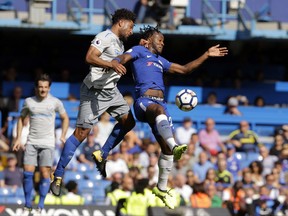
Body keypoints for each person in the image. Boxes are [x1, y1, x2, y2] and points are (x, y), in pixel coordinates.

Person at [110, 25, 228, 209]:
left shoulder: (160, 61)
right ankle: (175, 146)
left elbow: (184, 69)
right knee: (159, 114)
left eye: (163, 41)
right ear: (149, 41)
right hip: (144, 102)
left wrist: (206, 54)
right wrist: (116, 62)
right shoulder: (140, 50)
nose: (163, 43)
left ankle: (162, 187)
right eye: (160, 40)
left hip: (161, 104)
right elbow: (124, 57)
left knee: (165, 149)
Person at [50, 8, 137, 196]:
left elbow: (123, 57)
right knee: (81, 134)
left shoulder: (119, 44)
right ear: (121, 22)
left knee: (129, 122)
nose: (131, 31)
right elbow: (89, 57)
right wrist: (111, 64)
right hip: (93, 92)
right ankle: (57, 175)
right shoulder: (104, 36)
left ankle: (102, 154)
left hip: (111, 91)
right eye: (130, 27)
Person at [12, 74, 69, 214]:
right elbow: (21, 119)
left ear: (49, 88)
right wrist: (18, 138)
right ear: (36, 87)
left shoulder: (55, 102)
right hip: (32, 141)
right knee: (27, 173)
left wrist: (62, 135)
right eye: (40, 87)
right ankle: (27, 205)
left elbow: (65, 118)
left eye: (45, 87)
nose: (43, 89)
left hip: (48, 143)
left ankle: (40, 206)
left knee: (45, 173)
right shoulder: (29, 101)